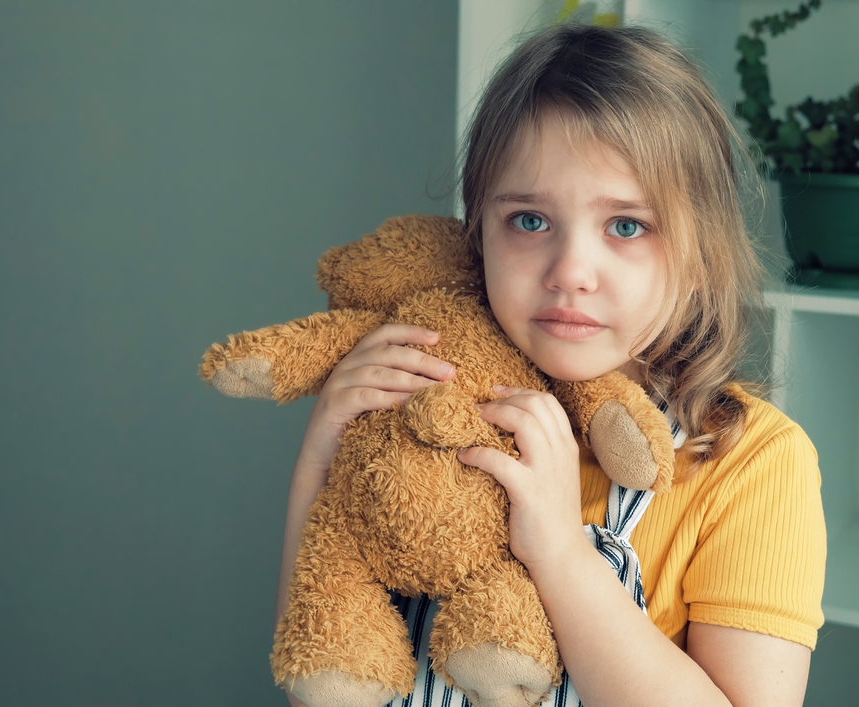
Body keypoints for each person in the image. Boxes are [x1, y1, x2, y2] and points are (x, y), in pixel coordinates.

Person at [276, 23, 825, 707]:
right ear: (479, 232)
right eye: (530, 220)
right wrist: (321, 450)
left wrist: (563, 557)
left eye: (627, 225)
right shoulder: (421, 407)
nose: (570, 272)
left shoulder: (757, 463)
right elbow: (319, 678)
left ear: (700, 252)